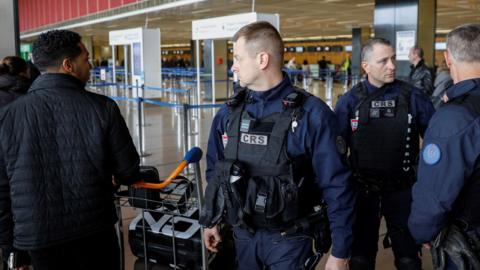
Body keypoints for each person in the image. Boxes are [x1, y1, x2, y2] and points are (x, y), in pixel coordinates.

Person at [199, 21, 355, 270]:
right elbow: (217, 169)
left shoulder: (312, 115)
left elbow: (337, 186)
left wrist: (340, 251)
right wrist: (212, 218)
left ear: (262, 60)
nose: (233, 66)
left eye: (238, 57)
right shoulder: (228, 114)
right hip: (243, 237)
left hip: (291, 241)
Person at [0, 29, 141, 270]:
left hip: (38, 238)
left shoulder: (9, 116)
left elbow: (2, 188)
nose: (91, 65)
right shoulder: (102, 107)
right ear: (68, 65)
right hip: (94, 231)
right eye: (85, 59)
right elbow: (128, 170)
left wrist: (10, 246)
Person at [335, 38, 435, 270]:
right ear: (366, 66)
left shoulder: (413, 97)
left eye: (393, 59)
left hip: (402, 191)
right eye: (383, 61)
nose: (391, 65)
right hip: (363, 193)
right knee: (360, 258)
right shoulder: (350, 102)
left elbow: (435, 142)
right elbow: (335, 152)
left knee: (409, 258)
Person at [408, 23, 480, 270]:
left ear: (448, 58)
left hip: (469, 241)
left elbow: (435, 191)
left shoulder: (454, 117)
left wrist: (423, 230)